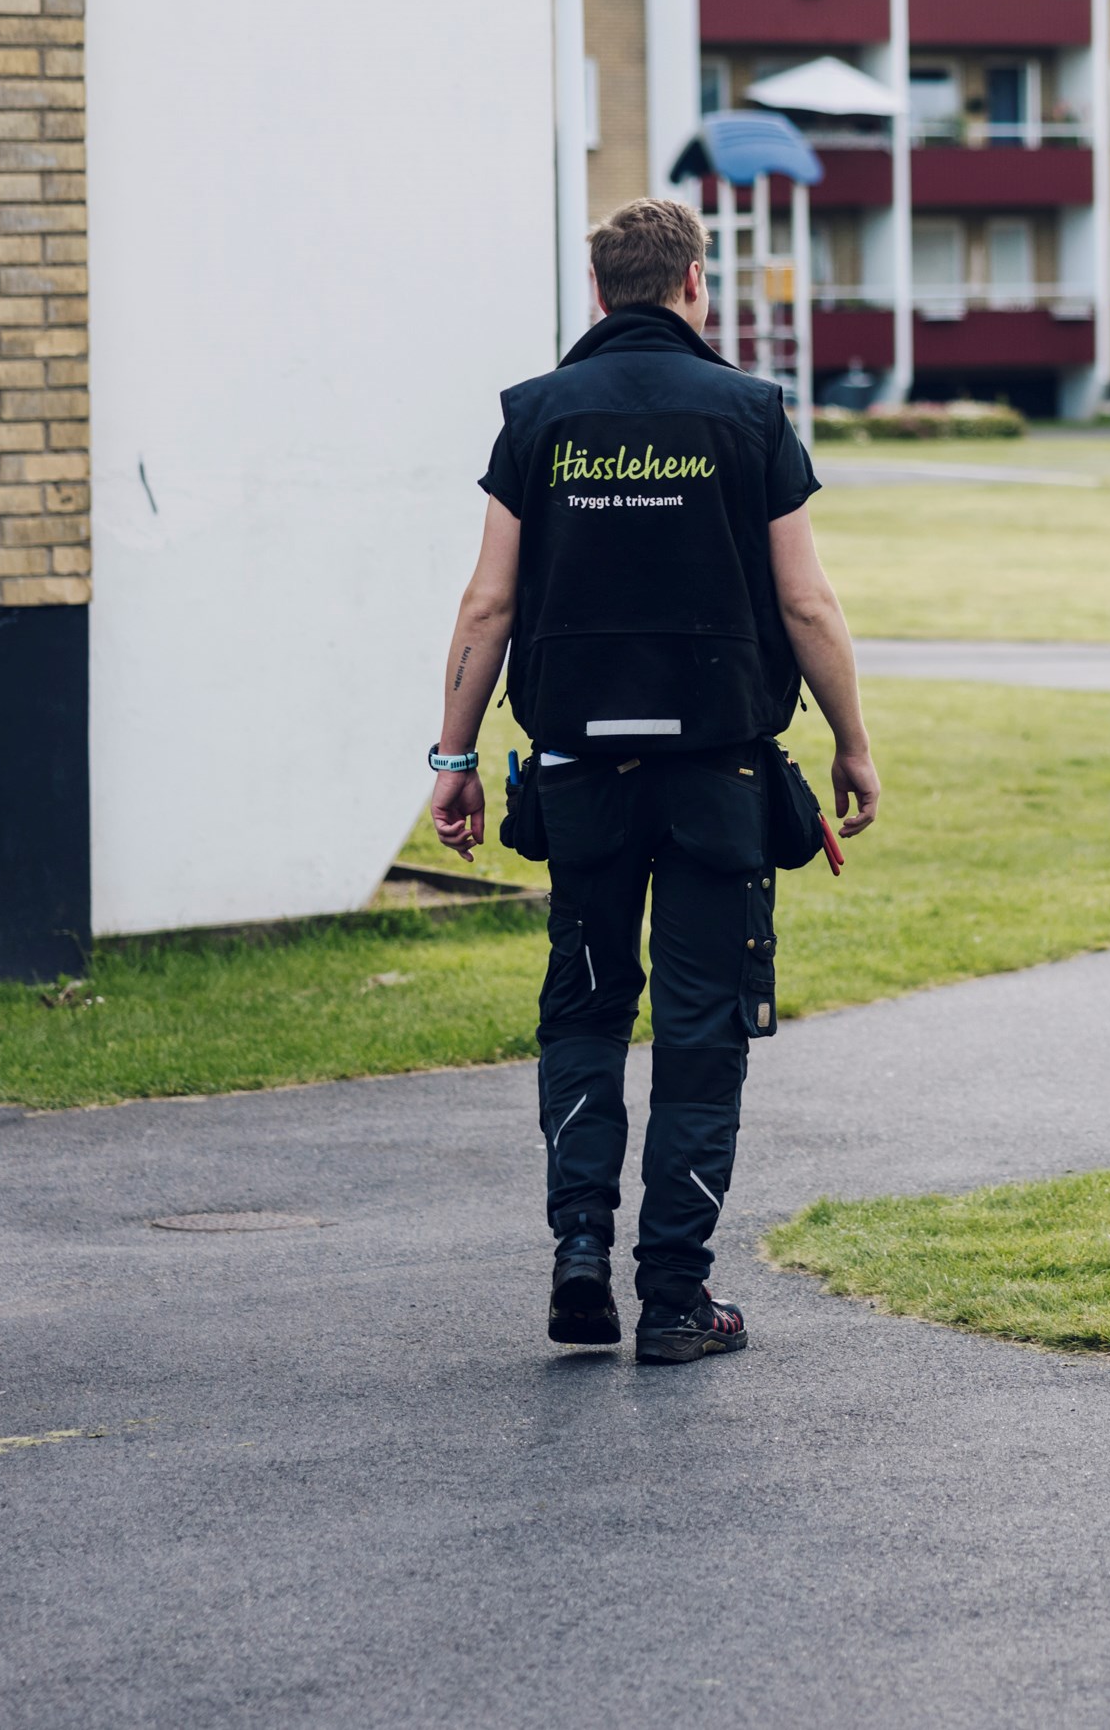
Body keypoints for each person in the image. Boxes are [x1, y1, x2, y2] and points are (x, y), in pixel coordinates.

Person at [424, 197, 881, 1364]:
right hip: (718, 776)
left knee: (581, 1007)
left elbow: (489, 602)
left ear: (597, 291)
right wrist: (851, 742)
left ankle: (580, 1247)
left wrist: (456, 757)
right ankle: (675, 1297)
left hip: (579, 774)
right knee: (699, 1026)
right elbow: (805, 601)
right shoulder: (751, 413)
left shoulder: (537, 416)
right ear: (692, 285)